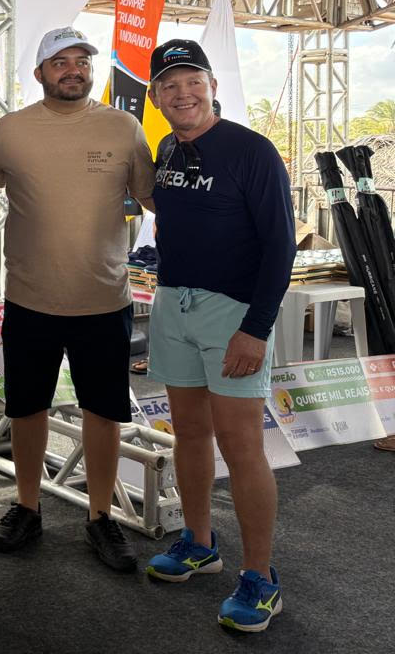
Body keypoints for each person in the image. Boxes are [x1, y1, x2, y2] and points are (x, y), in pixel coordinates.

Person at [0, 26, 155, 571]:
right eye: (60, 61)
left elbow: (154, 196)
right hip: (30, 300)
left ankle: (101, 517)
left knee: (104, 412)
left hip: (105, 299)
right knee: (27, 408)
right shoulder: (10, 130)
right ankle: (27, 507)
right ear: (40, 73)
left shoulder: (123, 127)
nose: (72, 69)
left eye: (81, 60)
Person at [142, 39, 294, 633]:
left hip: (232, 313)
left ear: (211, 86)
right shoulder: (165, 149)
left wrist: (255, 329)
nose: (183, 93)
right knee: (188, 434)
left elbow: (280, 245)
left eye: (193, 81)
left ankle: (261, 577)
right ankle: (199, 543)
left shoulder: (251, 150)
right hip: (172, 304)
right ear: (156, 96)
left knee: (241, 445)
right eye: (170, 84)